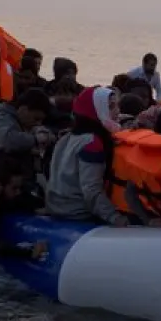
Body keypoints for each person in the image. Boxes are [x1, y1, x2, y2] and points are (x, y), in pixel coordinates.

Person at [46, 86, 128, 226]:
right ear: (96, 111)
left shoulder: (67, 137)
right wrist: (115, 217)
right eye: (110, 106)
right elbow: (91, 189)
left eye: (117, 105)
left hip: (57, 207)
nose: (117, 111)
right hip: (77, 212)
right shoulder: (92, 143)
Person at [0, 87, 53, 187]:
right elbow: (3, 141)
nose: (38, 123)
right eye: (36, 118)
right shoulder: (1, 118)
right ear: (24, 109)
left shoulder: (17, 121)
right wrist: (34, 139)